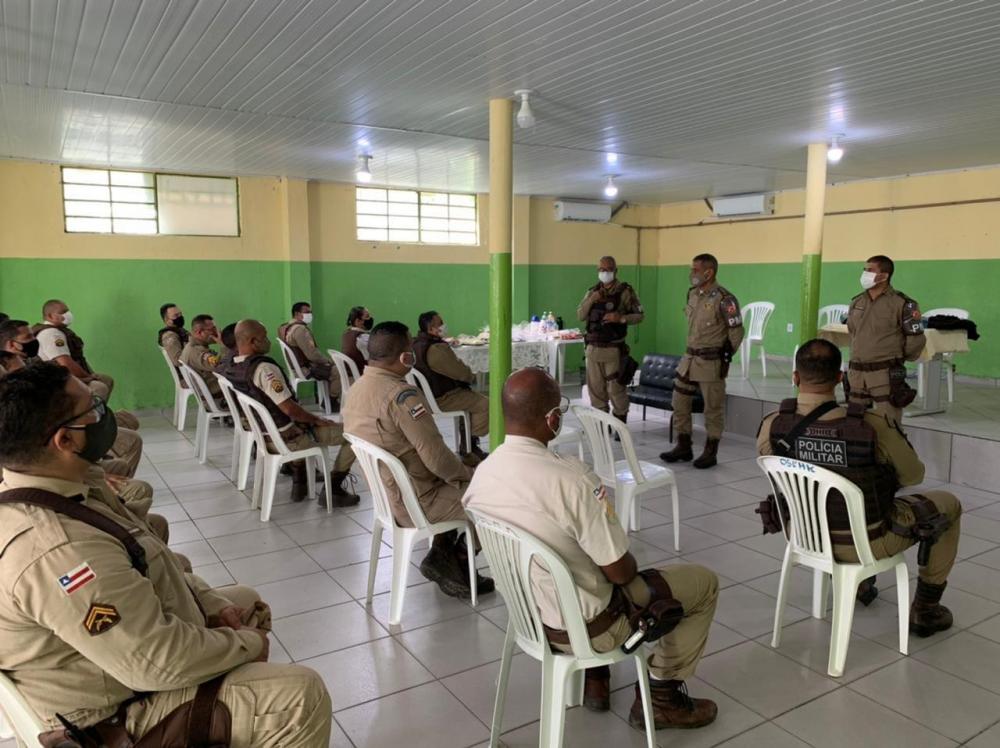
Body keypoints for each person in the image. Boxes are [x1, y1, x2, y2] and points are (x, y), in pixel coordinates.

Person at [0, 363, 331, 744]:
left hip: (115, 663)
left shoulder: (71, 485)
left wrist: (211, 605)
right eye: (91, 407)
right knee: (300, 693)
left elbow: (148, 555)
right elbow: (155, 662)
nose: (101, 410)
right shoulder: (60, 550)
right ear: (65, 440)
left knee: (245, 602)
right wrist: (248, 645)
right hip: (114, 714)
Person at [465, 368, 719, 730]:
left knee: (582, 568)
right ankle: (663, 697)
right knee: (702, 583)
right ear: (552, 419)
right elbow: (620, 571)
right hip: (591, 631)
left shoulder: (483, 474)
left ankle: (596, 680)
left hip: (531, 618)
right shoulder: (572, 479)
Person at [757, 339, 961, 636]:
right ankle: (926, 610)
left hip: (804, 534)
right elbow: (914, 476)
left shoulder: (772, 425)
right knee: (949, 504)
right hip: (869, 539)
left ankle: (862, 584)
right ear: (841, 378)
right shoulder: (872, 425)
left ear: (795, 377)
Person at [342, 321, 494, 599]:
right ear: (404, 356)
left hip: (388, 498)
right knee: (494, 497)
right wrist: (468, 475)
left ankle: (443, 553)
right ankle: (459, 560)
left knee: (466, 481)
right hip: (419, 501)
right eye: (410, 346)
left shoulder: (355, 390)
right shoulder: (402, 397)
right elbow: (437, 460)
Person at [218, 319, 359, 505]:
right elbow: (290, 409)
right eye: (264, 337)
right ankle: (334, 488)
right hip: (288, 440)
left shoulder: (232, 367)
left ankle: (300, 481)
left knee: (299, 422)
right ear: (253, 341)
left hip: (264, 437)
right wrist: (316, 419)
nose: (268, 341)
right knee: (355, 434)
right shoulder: (263, 369)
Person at [2, 318, 143, 476]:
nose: (34, 341)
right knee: (131, 441)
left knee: (127, 419)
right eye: (28, 338)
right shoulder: (14, 386)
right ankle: (113, 486)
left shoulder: (29, 365)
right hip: (66, 434)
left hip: (73, 421)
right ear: (11, 344)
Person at [660, 253, 744, 469]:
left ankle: (710, 451)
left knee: (712, 409)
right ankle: (683, 445)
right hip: (689, 359)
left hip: (710, 362)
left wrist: (725, 356)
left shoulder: (725, 299)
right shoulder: (693, 294)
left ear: (709, 272)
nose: (692, 274)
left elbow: (736, 332)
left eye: (696, 270)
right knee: (679, 403)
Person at [846, 255, 926, 426]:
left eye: (870, 270)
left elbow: (915, 339)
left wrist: (896, 358)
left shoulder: (903, 304)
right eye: (865, 270)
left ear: (884, 275)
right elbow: (852, 330)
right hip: (857, 374)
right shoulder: (857, 302)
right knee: (855, 424)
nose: (865, 274)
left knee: (890, 424)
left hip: (885, 374)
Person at [576, 255, 645, 427]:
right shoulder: (592, 291)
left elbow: (639, 316)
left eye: (608, 269)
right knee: (596, 392)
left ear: (615, 270)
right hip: (592, 349)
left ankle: (620, 425)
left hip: (613, 350)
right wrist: (592, 299)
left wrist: (621, 318)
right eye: (601, 269)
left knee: (616, 390)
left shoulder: (625, 292)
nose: (605, 272)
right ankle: (601, 428)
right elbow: (580, 315)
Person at [414, 310, 489, 462]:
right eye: (440, 323)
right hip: (442, 398)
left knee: (469, 401)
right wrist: (472, 377)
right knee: (486, 404)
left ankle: (467, 444)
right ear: (431, 329)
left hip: (425, 396)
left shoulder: (417, 344)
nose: (444, 325)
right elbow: (460, 373)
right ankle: (470, 445)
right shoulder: (435, 350)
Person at [33, 299, 115, 401]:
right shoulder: (52, 334)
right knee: (99, 388)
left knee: (107, 380)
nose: (68, 314)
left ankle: (101, 414)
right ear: (50, 316)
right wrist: (88, 377)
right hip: (57, 380)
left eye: (67, 311)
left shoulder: (59, 331)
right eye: (62, 312)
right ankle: (91, 416)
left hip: (67, 375)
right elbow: (65, 362)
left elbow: (77, 358)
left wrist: (90, 374)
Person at [278, 301, 342, 411]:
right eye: (307, 312)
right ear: (297, 314)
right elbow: (312, 355)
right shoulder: (300, 330)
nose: (310, 315)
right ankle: (331, 401)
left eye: (311, 312)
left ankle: (325, 398)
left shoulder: (285, 328)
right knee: (338, 371)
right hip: (305, 369)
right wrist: (329, 361)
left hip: (295, 368)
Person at [180, 314, 224, 405]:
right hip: (216, 398)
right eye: (212, 329)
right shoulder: (196, 352)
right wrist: (223, 346)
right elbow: (220, 365)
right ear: (200, 332)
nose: (217, 332)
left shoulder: (194, 346)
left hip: (212, 392)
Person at [342, 305, 373, 373]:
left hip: (351, 373)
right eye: (367, 316)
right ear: (358, 321)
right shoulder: (362, 338)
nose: (370, 318)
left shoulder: (347, 334)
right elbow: (371, 360)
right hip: (363, 374)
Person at [157, 302, 189, 368]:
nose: (180, 317)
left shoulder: (180, 331)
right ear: (167, 320)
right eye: (176, 315)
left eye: (180, 314)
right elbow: (178, 361)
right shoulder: (169, 336)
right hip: (194, 374)